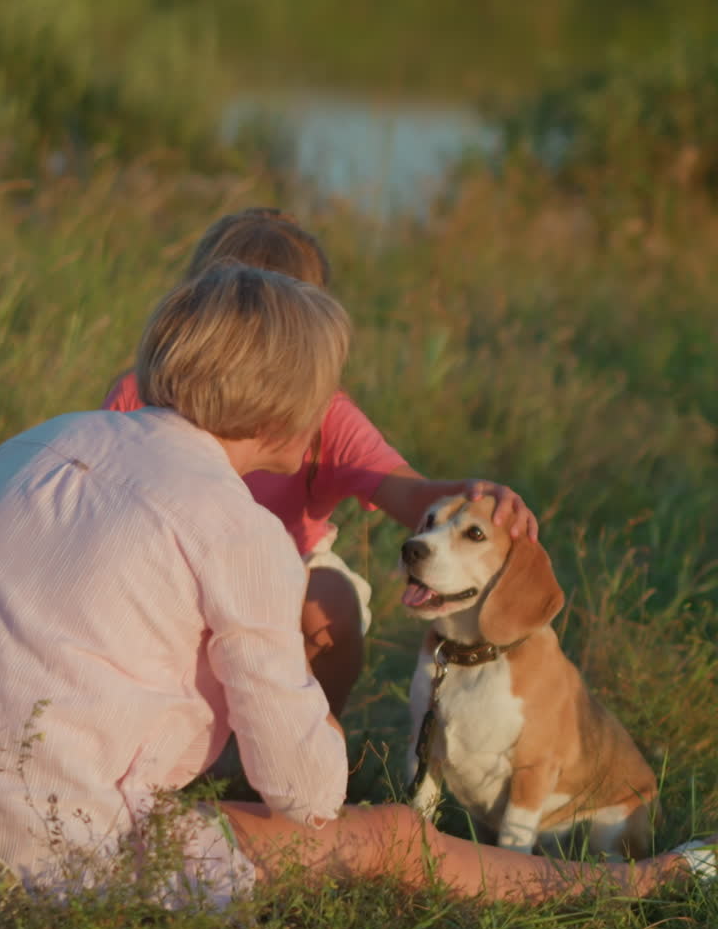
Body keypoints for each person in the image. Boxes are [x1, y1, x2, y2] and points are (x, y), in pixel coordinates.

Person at [0, 260, 714, 907]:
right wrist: (317, 733)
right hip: (59, 838)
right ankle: (648, 881)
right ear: (289, 411)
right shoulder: (239, 531)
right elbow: (306, 797)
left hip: (45, 786)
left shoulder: (38, 441)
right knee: (396, 837)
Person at [104, 208, 539, 718]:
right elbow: (104, 498)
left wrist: (474, 496)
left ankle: (312, 731)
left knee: (329, 601)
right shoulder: (144, 390)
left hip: (288, 567)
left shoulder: (324, 412)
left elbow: (403, 491)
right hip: (168, 564)